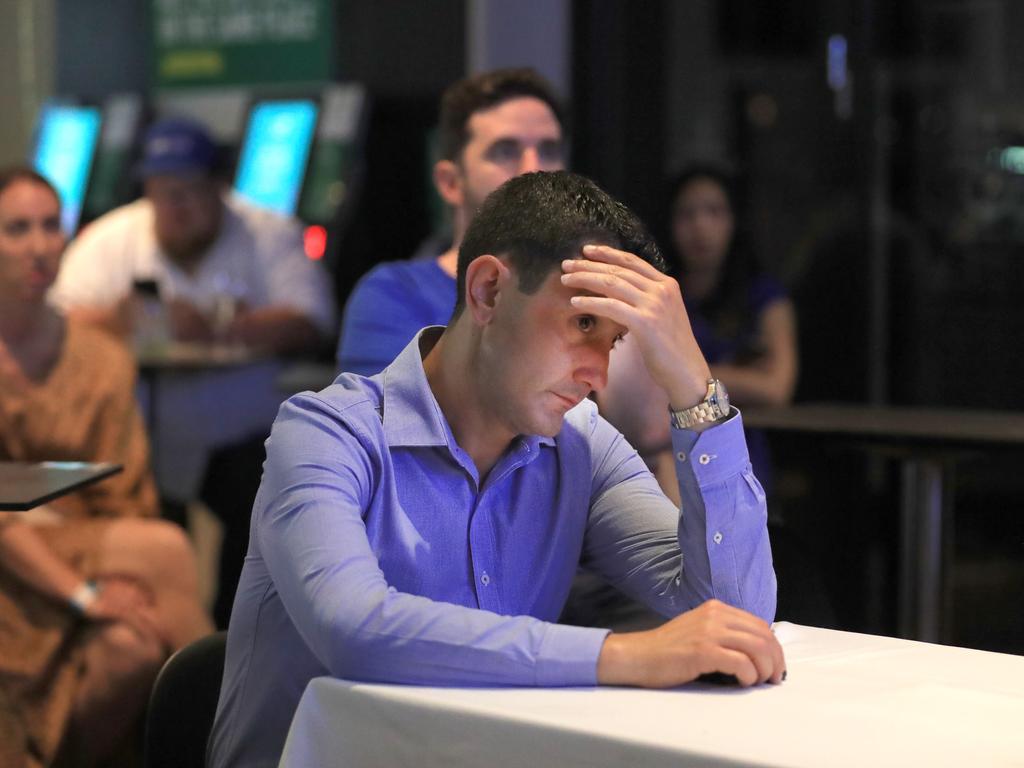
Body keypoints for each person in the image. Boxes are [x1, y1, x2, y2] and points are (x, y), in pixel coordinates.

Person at [209, 171, 784, 768]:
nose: (597, 375)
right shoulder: (326, 432)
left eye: (612, 342)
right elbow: (354, 629)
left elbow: (736, 617)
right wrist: (629, 656)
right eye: (583, 324)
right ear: (488, 292)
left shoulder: (581, 445)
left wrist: (693, 384)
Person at [50, 118, 337, 626]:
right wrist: (116, 321)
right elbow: (58, 316)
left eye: (188, 192)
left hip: (245, 438)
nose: (175, 208)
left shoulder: (266, 233)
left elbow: (310, 320)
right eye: (163, 193)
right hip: (138, 438)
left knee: (260, 511)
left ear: (218, 189)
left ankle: (233, 636)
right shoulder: (113, 237)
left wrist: (230, 328)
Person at [0, 167, 212, 768]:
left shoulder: (101, 357)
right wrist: (84, 593)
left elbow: (125, 493)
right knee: (169, 550)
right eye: (16, 229)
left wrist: (103, 570)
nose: (40, 245)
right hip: (18, 568)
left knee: (133, 647)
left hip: (93, 543)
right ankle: (237, 738)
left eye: (50, 226)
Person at [336, 67, 565, 375]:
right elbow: (397, 418)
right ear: (450, 183)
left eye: (548, 150)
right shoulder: (394, 295)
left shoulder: (593, 288)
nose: (534, 169)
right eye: (505, 151)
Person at [598, 165, 797, 500]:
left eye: (714, 212)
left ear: (734, 221)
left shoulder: (763, 295)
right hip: (666, 444)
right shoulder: (657, 291)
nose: (700, 226)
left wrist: (678, 373)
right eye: (687, 214)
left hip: (741, 443)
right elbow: (632, 377)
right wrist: (734, 377)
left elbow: (776, 387)